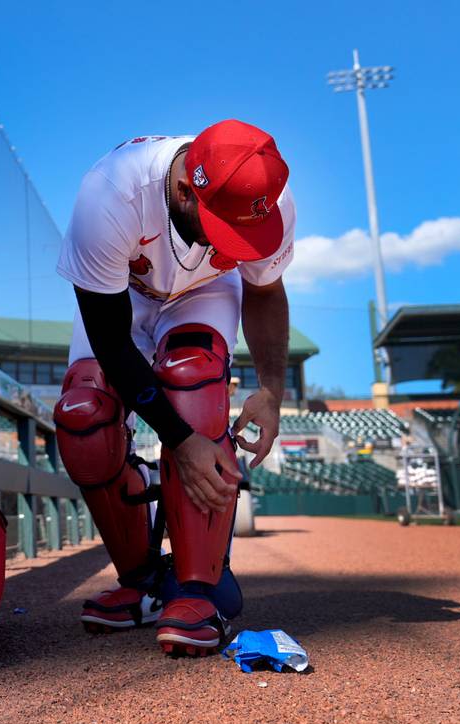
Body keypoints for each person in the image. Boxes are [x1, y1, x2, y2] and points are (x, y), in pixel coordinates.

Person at [53, 119, 293, 656]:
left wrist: (272, 391)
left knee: (194, 377)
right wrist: (182, 443)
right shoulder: (111, 193)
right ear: (186, 188)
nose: (228, 242)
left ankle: (197, 589)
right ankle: (142, 583)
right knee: (83, 415)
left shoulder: (264, 193)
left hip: (203, 291)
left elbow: (266, 290)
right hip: (125, 297)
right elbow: (114, 346)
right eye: (219, 225)